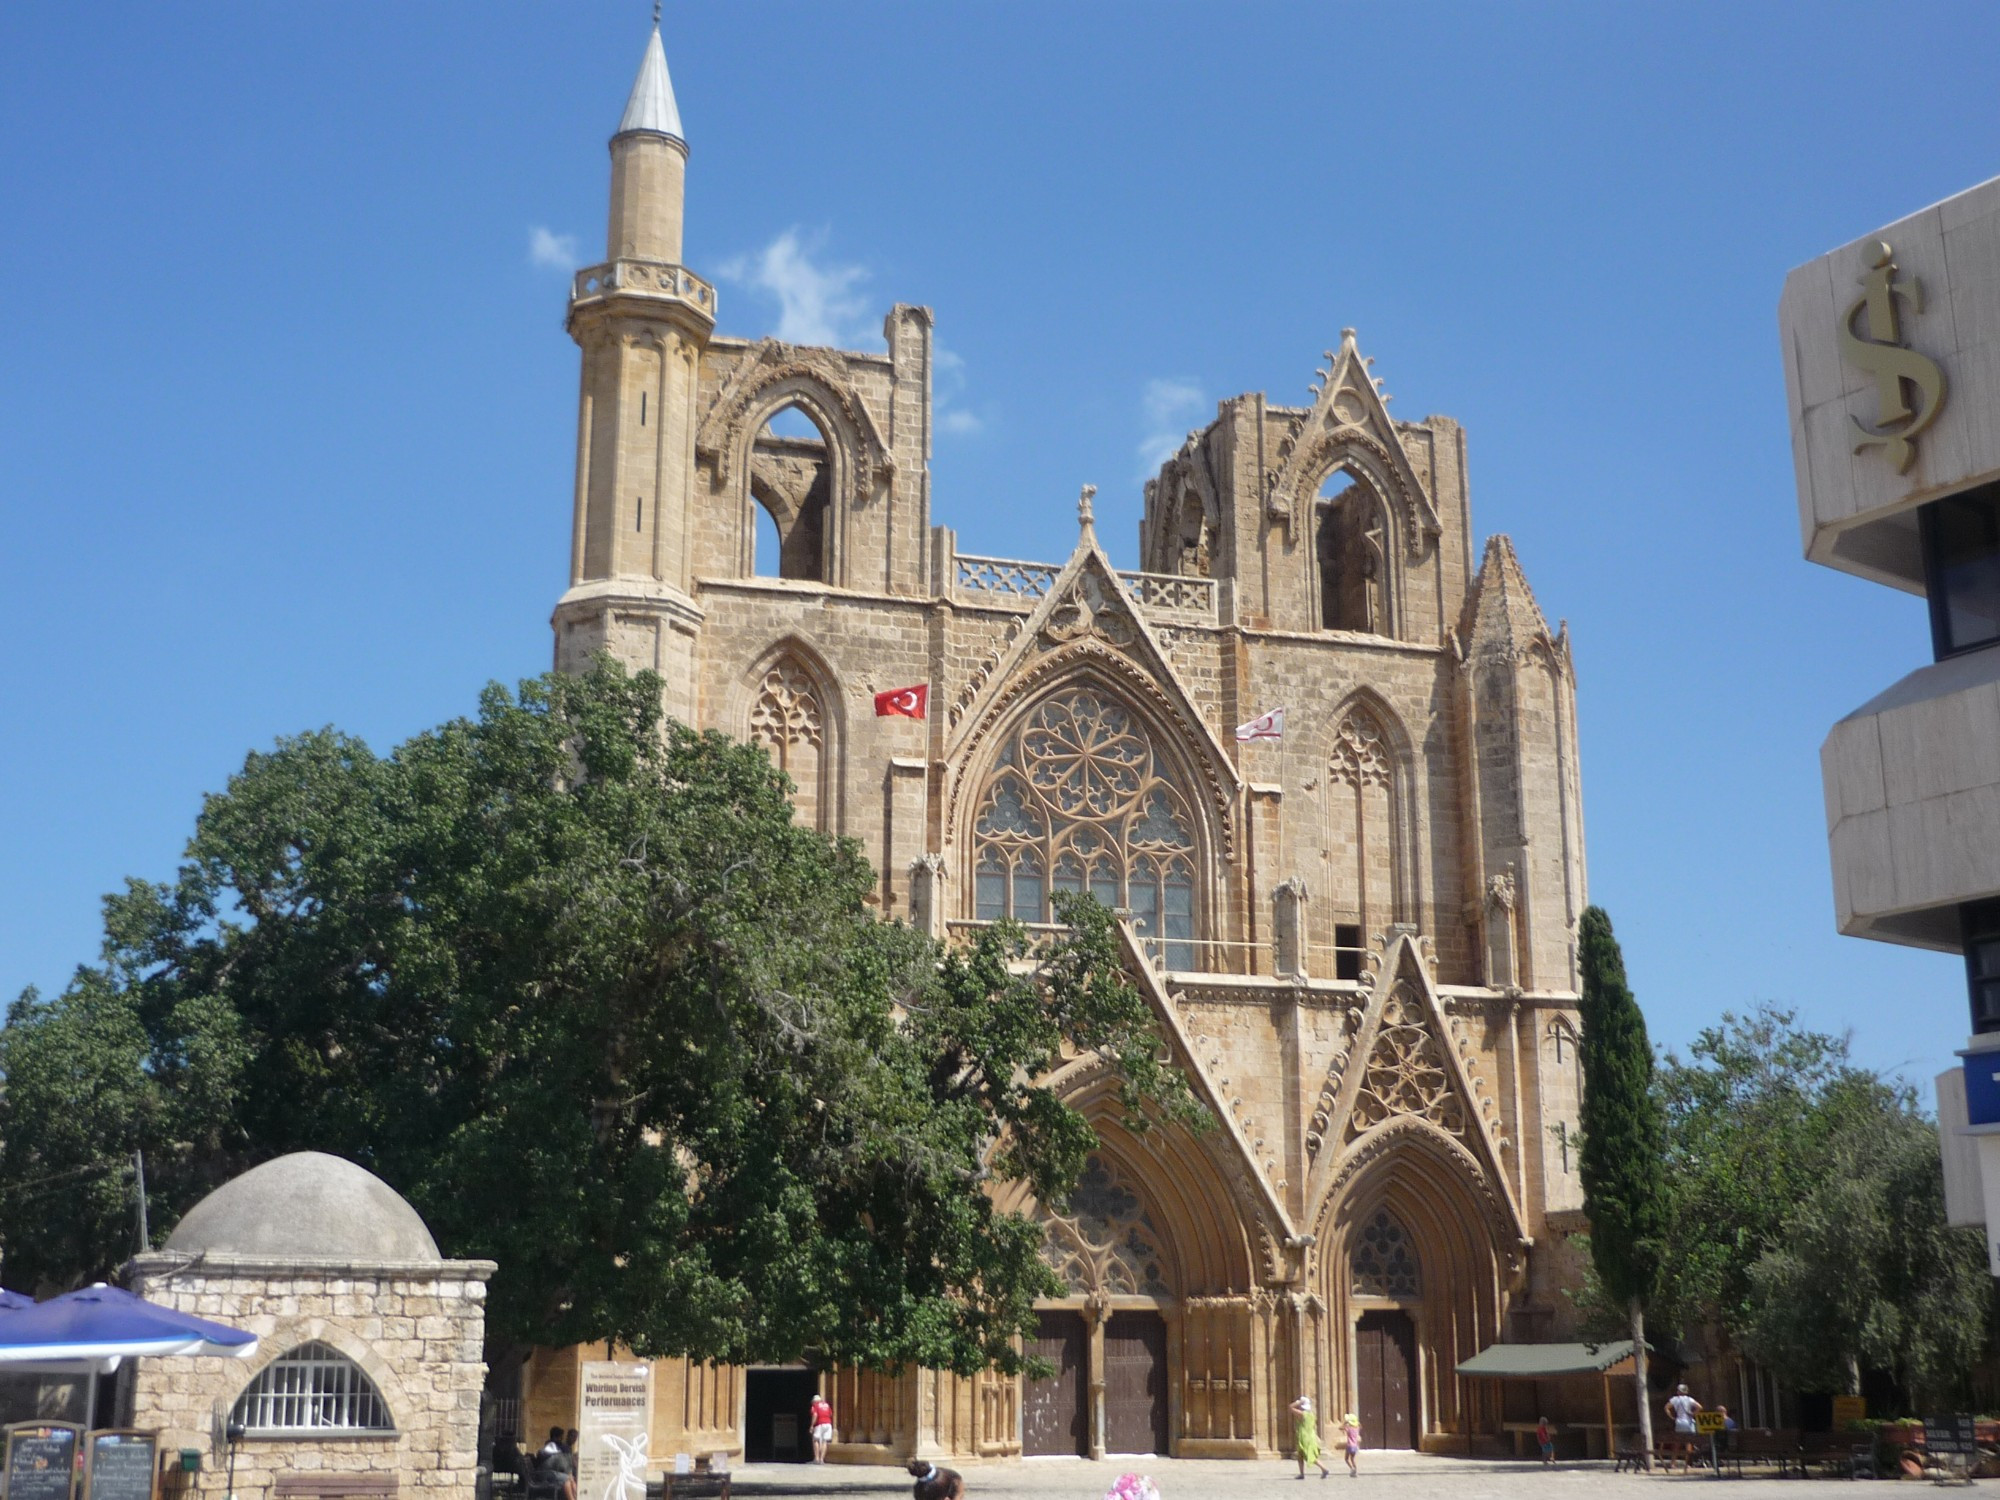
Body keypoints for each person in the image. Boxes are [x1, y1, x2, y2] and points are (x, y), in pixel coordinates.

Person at [1288, 1395, 1330, 1479]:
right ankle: (1301, 1473)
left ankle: (1324, 1469)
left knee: (1309, 1455)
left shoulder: (1302, 1414)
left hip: (1305, 1437)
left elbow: (1290, 1407)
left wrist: (1298, 1402)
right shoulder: (1311, 1414)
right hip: (1310, 1435)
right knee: (1300, 1455)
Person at [1665, 1385, 1701, 1472]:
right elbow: (1699, 1407)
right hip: (1689, 1422)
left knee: (1677, 1444)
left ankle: (1673, 1463)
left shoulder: (1675, 1399)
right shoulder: (1690, 1399)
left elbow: (1666, 1408)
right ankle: (1687, 1464)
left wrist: (1671, 1417)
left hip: (1679, 1421)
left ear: (1678, 1391)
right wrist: (1693, 1413)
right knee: (1688, 1444)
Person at [535, 1426, 576, 1500]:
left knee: (569, 1480)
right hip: (544, 1474)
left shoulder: (554, 1447)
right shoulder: (553, 1448)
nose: (561, 1440)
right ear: (555, 1437)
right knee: (567, 1479)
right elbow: (560, 1463)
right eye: (560, 1438)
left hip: (549, 1472)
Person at [809, 1390, 834, 1465]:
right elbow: (830, 1414)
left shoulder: (815, 1406)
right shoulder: (826, 1405)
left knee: (815, 1440)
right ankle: (821, 1459)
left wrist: (812, 1425)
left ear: (814, 1401)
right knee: (824, 1441)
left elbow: (815, 1415)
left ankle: (816, 1458)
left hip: (820, 1424)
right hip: (828, 1424)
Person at [1342, 1412, 1362, 1478]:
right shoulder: (1357, 1429)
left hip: (1349, 1445)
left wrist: (1345, 1423)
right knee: (1353, 1459)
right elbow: (1360, 1426)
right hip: (1355, 1446)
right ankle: (1355, 1471)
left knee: (1346, 1459)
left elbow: (1340, 1428)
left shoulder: (1349, 1429)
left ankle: (1352, 1468)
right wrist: (1357, 1422)